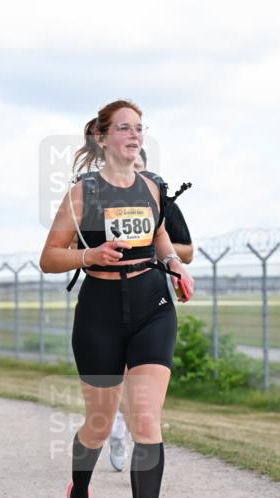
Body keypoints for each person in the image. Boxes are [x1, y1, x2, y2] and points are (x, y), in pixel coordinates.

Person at [39, 100, 195, 498]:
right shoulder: (82, 193)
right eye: (124, 128)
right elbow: (49, 257)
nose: (134, 135)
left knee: (146, 419)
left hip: (153, 309)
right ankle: (80, 495)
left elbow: (162, 239)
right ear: (103, 138)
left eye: (140, 128)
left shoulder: (153, 187)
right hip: (100, 315)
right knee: (100, 424)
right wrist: (90, 257)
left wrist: (174, 265)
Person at [107, 149, 195, 472]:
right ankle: (117, 425)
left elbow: (188, 250)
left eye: (141, 168)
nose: (137, 175)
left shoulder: (161, 202)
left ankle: (134, 430)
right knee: (119, 376)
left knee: (142, 384)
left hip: (152, 298)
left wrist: (161, 250)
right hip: (111, 299)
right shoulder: (105, 201)